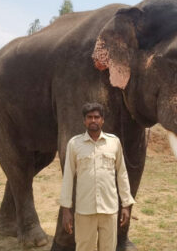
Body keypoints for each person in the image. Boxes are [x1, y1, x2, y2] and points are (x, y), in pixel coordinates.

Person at [59, 102, 135, 251]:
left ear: (102, 120)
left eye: (96, 117)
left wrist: (126, 204)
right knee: (84, 247)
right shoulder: (74, 144)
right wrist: (66, 209)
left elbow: (122, 173)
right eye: (89, 117)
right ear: (84, 121)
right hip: (84, 209)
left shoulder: (114, 142)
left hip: (109, 209)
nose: (93, 120)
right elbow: (68, 177)